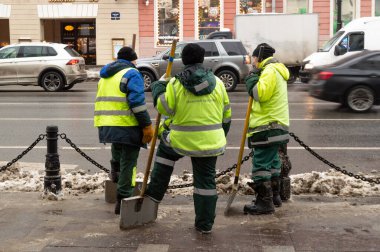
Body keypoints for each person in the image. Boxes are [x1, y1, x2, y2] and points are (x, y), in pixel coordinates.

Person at [145, 43, 232, 234]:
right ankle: (204, 225)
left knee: (163, 156)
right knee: (206, 183)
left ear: (183, 60)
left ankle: (152, 198)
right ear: (202, 60)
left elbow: (165, 109)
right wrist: (219, 136)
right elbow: (226, 116)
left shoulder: (176, 83)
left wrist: (159, 88)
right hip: (210, 142)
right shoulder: (218, 82)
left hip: (180, 141)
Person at [94, 46, 154, 215]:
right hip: (126, 125)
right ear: (132, 60)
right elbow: (137, 103)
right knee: (129, 163)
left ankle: (116, 177)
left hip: (107, 124)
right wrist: (147, 125)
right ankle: (123, 199)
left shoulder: (106, 75)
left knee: (118, 156)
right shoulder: (132, 73)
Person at [243, 43, 290, 215]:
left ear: (259, 58)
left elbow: (259, 94)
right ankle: (275, 196)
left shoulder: (270, 71)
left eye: (253, 59)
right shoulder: (277, 70)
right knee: (273, 163)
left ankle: (264, 203)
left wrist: (251, 79)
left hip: (267, 127)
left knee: (261, 165)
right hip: (276, 126)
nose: (252, 62)